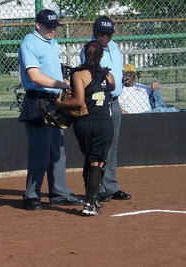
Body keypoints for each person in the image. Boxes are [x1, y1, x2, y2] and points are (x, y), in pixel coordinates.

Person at [18, 9, 84, 210]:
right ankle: (31, 195)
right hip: (38, 101)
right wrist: (61, 84)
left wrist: (65, 81)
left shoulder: (52, 43)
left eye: (55, 26)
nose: (53, 30)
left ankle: (59, 193)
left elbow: (52, 71)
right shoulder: (29, 42)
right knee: (41, 153)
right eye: (48, 26)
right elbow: (34, 76)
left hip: (54, 100)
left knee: (57, 151)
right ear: (38, 25)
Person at [56, 40, 115, 216]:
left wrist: (60, 103)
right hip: (103, 122)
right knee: (98, 161)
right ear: (102, 56)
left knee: (89, 159)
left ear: (84, 54)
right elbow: (112, 87)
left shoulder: (79, 74)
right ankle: (90, 203)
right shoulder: (108, 76)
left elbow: (78, 101)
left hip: (83, 122)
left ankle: (92, 197)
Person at [80, 16, 132, 202]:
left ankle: (110, 186)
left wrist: (124, 78)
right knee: (99, 147)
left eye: (108, 33)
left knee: (113, 146)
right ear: (94, 31)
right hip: (99, 102)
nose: (104, 36)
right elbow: (91, 74)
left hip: (115, 101)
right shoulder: (91, 49)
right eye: (101, 33)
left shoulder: (115, 48)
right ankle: (97, 188)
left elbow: (115, 70)